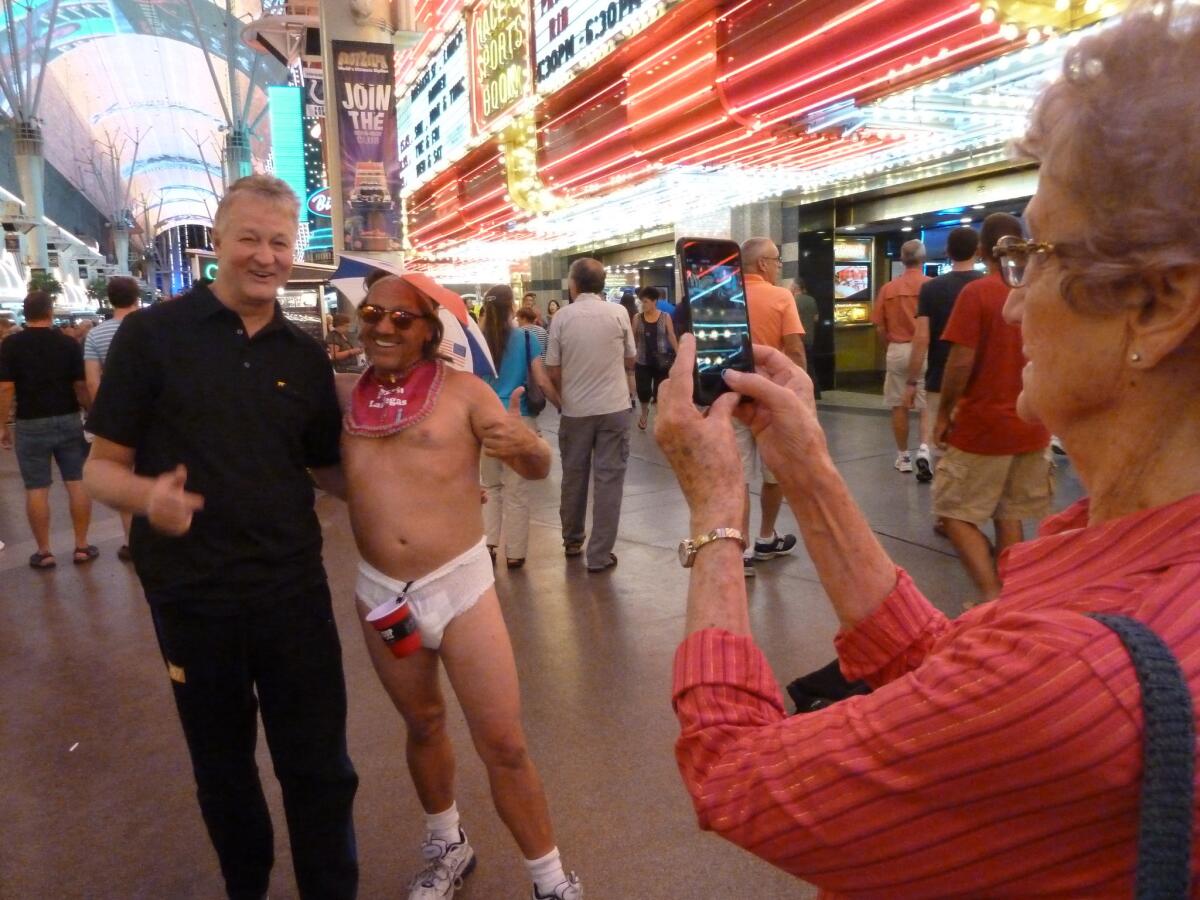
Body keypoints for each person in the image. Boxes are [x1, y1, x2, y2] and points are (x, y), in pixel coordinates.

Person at [654, 7, 1200, 893]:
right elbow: (954, 678)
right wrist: (812, 473)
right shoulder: (1122, 553)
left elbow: (735, 775)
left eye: (1034, 255)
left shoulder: (1081, 670)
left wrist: (718, 514)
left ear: (1161, 304)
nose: (1015, 303)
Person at [82, 175, 358, 899]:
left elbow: (329, 470)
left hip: (293, 591)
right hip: (192, 596)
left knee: (320, 766)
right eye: (251, 239)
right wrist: (150, 499)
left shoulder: (303, 355)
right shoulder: (151, 337)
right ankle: (248, 888)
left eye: (280, 242)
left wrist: (426, 481)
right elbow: (100, 469)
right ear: (219, 242)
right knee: (223, 768)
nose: (266, 256)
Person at [341, 274, 582, 900]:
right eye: (373, 314)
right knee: (422, 725)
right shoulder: (342, 398)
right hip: (382, 596)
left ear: (428, 330)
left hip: (460, 585)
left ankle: (551, 880)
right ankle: (448, 844)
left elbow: (535, 466)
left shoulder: (466, 392)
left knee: (503, 741)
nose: (385, 326)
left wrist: (525, 446)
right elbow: (328, 475)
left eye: (402, 317)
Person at [932, 213, 1054, 606]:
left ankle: (988, 595)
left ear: (983, 251)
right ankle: (1010, 598)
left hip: (983, 425)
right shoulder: (1040, 291)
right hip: (1031, 425)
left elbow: (961, 361)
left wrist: (943, 412)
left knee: (952, 512)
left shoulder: (978, 293)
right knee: (1009, 512)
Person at [545, 257, 636, 573]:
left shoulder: (562, 318)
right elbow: (631, 358)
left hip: (575, 411)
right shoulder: (619, 313)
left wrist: (564, 395)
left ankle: (572, 540)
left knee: (574, 476)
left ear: (573, 284)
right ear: (602, 284)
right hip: (614, 408)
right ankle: (599, 555)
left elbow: (552, 367)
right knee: (609, 480)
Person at [0, 290, 96, 568]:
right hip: (67, 418)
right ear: (50, 312)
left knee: (36, 488)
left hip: (30, 423)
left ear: (25, 313)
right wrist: (91, 413)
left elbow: (5, 387)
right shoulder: (67, 344)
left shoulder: (11, 345)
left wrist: (3, 425)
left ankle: (44, 552)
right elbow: (80, 386)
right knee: (76, 482)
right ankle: (81, 546)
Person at [479, 285, 561, 568]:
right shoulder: (526, 338)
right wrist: (560, 402)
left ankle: (489, 546)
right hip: (520, 418)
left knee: (490, 486)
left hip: (484, 419)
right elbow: (540, 379)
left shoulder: (477, 340)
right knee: (517, 489)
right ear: (511, 306)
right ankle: (515, 553)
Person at [737, 237, 804, 576]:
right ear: (762, 264)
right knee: (773, 471)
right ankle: (765, 537)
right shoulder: (780, 296)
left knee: (738, 476)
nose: (779, 266)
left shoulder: (724, 297)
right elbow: (793, 350)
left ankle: (743, 549)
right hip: (772, 399)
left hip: (732, 397)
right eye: (777, 260)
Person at [903, 226, 983, 483]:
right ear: (978, 251)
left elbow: (922, 338)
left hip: (941, 379)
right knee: (977, 449)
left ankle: (944, 515)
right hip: (981, 381)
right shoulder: (986, 286)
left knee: (943, 447)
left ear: (948, 252)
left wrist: (912, 381)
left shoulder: (932, 289)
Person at [84, 275, 141, 561]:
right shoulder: (152, 328)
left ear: (109, 299)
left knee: (123, 478)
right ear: (136, 297)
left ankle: (132, 542)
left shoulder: (96, 335)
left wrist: (104, 420)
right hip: (154, 416)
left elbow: (93, 382)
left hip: (118, 418)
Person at [871, 239, 931, 473]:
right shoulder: (931, 286)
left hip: (897, 349)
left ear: (902, 259)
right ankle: (924, 449)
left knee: (898, 405)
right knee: (925, 404)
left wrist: (889, 347)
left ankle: (904, 457)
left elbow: (879, 326)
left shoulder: (889, 289)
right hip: (924, 349)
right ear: (922, 258)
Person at [631, 286, 678, 432]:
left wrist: (678, 353)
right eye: (641, 302)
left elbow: (671, 335)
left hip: (661, 361)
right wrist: (630, 355)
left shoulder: (665, 317)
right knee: (643, 390)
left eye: (645, 302)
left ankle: (659, 419)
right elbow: (633, 338)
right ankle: (644, 413)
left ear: (654, 301)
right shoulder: (637, 318)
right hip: (642, 360)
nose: (642, 305)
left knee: (660, 391)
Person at [789, 277, 820, 398]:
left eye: (791, 285)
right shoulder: (811, 300)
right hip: (810, 337)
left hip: (798, 338)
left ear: (796, 287)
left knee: (800, 366)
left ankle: (802, 392)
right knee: (810, 365)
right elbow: (816, 318)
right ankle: (816, 392)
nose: (790, 287)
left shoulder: (793, 301)